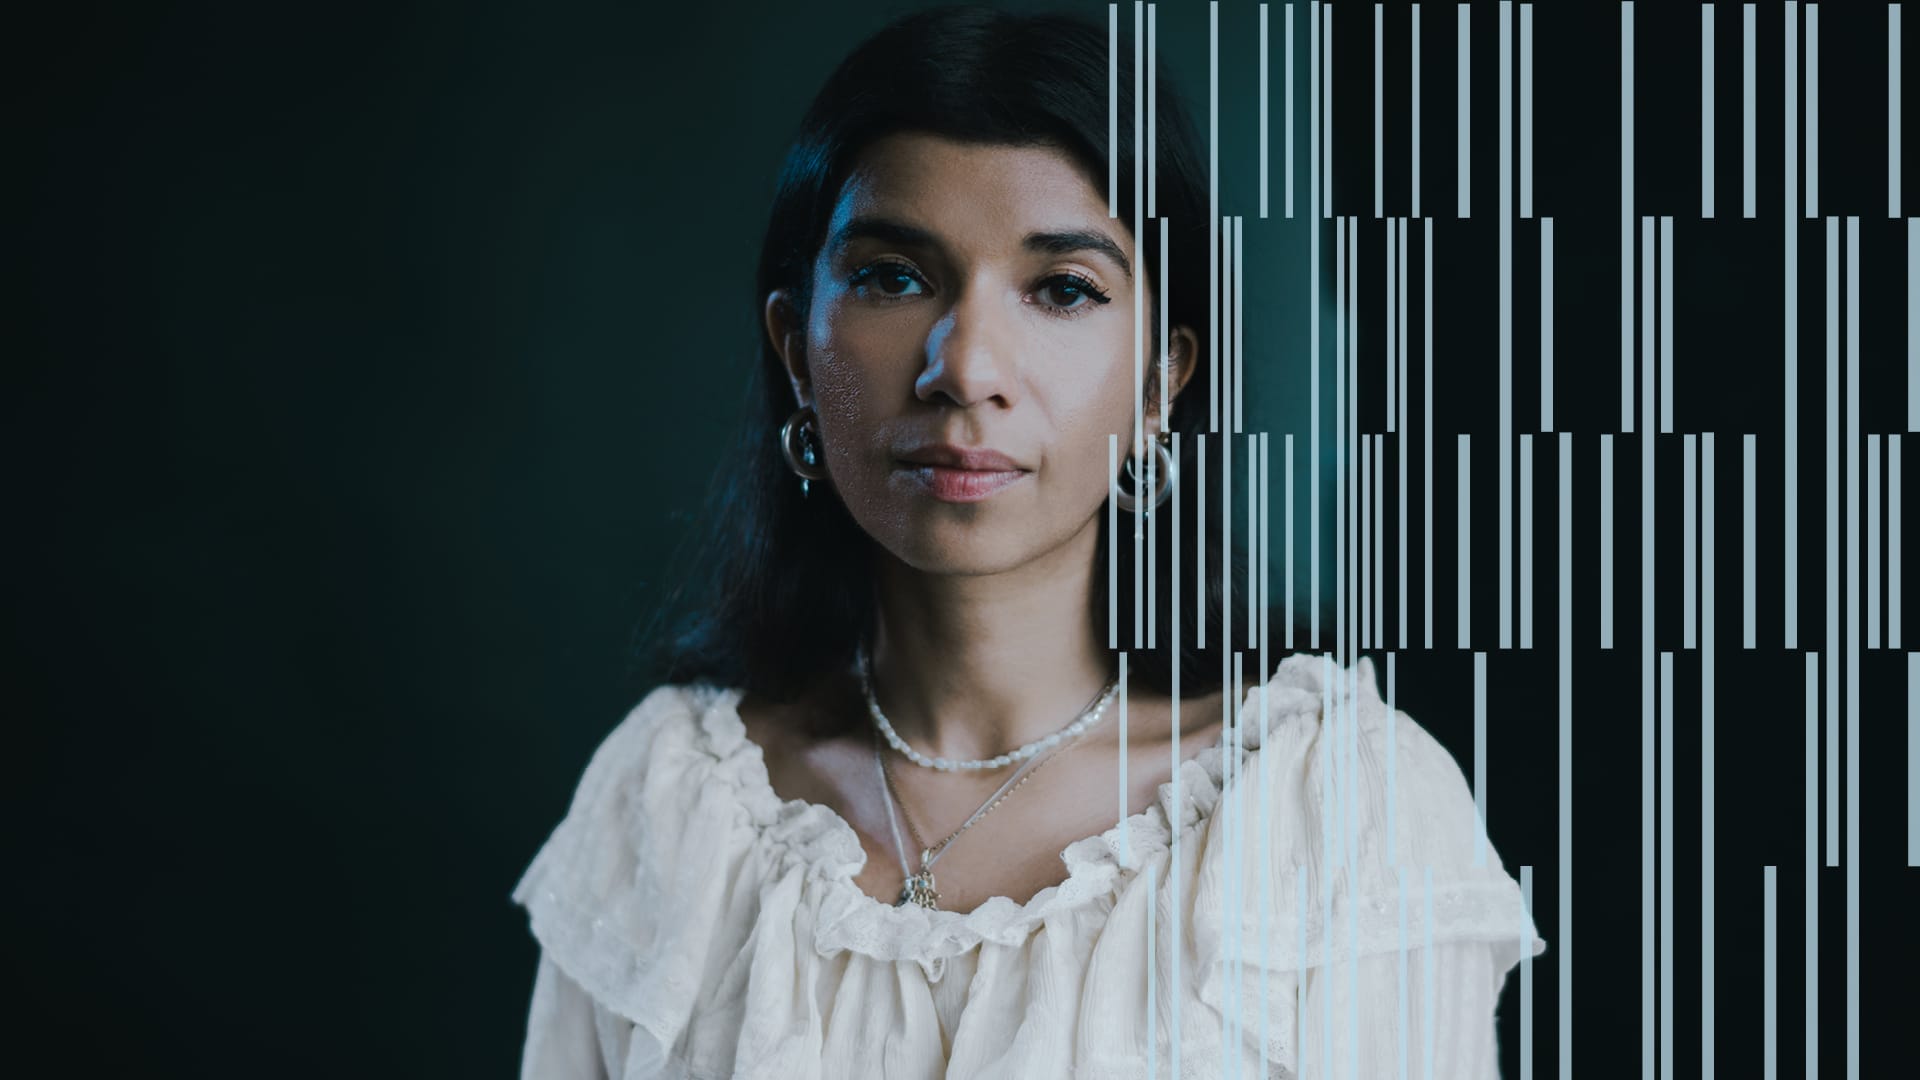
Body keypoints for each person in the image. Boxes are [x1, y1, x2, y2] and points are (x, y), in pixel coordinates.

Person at [512, 6, 1545, 1076]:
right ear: (793, 346)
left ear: (1163, 382)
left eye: (1063, 289)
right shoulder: (673, 803)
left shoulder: (1335, 812)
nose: (965, 370)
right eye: (893, 276)